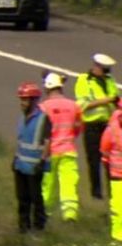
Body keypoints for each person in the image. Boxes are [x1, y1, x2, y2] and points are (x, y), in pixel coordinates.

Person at [75, 53, 120, 199]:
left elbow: (115, 98)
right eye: (105, 69)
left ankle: (112, 189)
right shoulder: (84, 80)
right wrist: (107, 100)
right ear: (97, 67)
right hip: (92, 124)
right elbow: (82, 105)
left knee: (111, 159)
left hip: (109, 125)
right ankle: (96, 191)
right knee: (94, 159)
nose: (108, 72)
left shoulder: (109, 80)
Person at [40, 73, 83, 222]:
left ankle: (44, 213)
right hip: (68, 150)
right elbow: (78, 127)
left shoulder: (43, 107)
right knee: (69, 183)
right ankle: (70, 214)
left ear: (47, 88)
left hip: (50, 152)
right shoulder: (74, 106)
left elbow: (40, 132)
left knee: (47, 185)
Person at [14, 81, 51, 233]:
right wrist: (15, 158)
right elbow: (21, 140)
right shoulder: (22, 118)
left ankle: (39, 225)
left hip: (35, 165)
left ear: (34, 100)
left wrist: (42, 160)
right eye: (21, 99)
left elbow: (49, 141)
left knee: (36, 197)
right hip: (21, 165)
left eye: (26, 99)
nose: (22, 103)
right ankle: (23, 226)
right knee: (22, 197)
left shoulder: (43, 118)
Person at [98, 105, 122, 242]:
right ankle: (118, 237)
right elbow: (104, 152)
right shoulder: (111, 131)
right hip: (117, 176)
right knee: (119, 208)